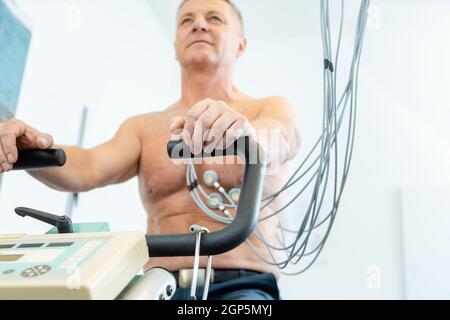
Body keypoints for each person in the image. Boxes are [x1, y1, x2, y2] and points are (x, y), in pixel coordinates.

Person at [0, 0, 301, 300]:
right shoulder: (143, 128)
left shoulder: (267, 109)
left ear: (240, 45)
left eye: (214, 18)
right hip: (156, 286)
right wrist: (28, 151)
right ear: (175, 47)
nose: (199, 24)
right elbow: (88, 166)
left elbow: (282, 138)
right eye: (186, 20)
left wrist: (245, 134)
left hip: (242, 287)